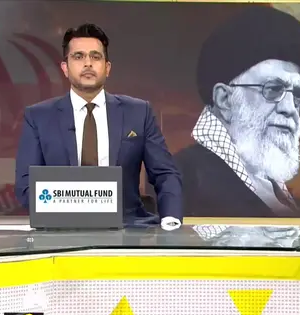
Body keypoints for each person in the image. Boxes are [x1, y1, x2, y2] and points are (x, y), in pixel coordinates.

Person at [14, 23, 183, 228]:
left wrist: (171, 218)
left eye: (95, 57)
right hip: (60, 230)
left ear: (107, 68)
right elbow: (26, 184)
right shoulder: (38, 117)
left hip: (128, 228)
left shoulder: (138, 112)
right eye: (78, 57)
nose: (88, 63)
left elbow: (165, 174)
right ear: (65, 68)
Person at [173, 6, 300, 217]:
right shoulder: (183, 179)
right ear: (225, 99)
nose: (290, 109)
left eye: (298, 95)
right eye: (272, 89)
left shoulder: (267, 183)